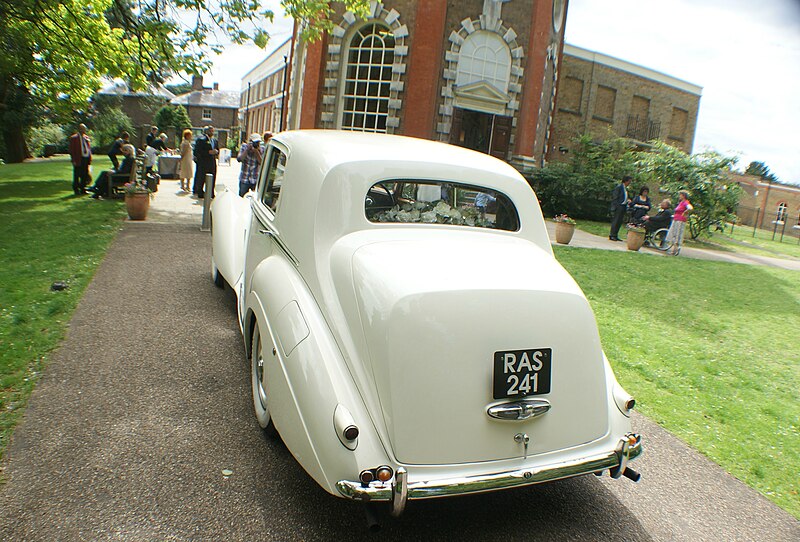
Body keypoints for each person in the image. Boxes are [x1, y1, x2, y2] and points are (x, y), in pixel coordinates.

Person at [193, 126, 219, 198]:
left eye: (213, 131)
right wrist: (208, 152)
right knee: (201, 177)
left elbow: (217, 149)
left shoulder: (214, 140)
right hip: (203, 162)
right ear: (206, 131)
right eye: (210, 131)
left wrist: (217, 152)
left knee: (213, 177)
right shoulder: (201, 139)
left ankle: (211, 192)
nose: (212, 132)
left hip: (212, 162)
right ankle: (200, 192)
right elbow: (197, 151)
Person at [665, 190, 694, 255]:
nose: (679, 196)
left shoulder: (685, 202)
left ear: (683, 196)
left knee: (677, 234)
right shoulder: (681, 203)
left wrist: (685, 212)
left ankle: (675, 249)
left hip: (680, 220)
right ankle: (674, 249)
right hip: (676, 219)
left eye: (680, 195)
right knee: (674, 234)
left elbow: (690, 207)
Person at [68, 124, 92, 195]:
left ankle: (83, 188)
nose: (83, 131)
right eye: (82, 129)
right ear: (79, 129)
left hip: (86, 158)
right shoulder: (74, 138)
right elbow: (71, 150)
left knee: (84, 174)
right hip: (78, 158)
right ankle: (76, 189)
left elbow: (88, 148)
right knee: (77, 174)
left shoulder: (86, 137)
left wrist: (89, 158)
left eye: (84, 129)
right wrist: (74, 160)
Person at [609, 175, 632, 241]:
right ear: (626, 181)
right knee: (616, 221)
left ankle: (615, 235)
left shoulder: (625, 188)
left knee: (619, 221)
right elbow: (615, 197)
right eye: (629, 181)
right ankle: (612, 234)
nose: (629, 183)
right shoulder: (619, 187)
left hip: (623, 206)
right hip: (619, 206)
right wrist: (615, 206)